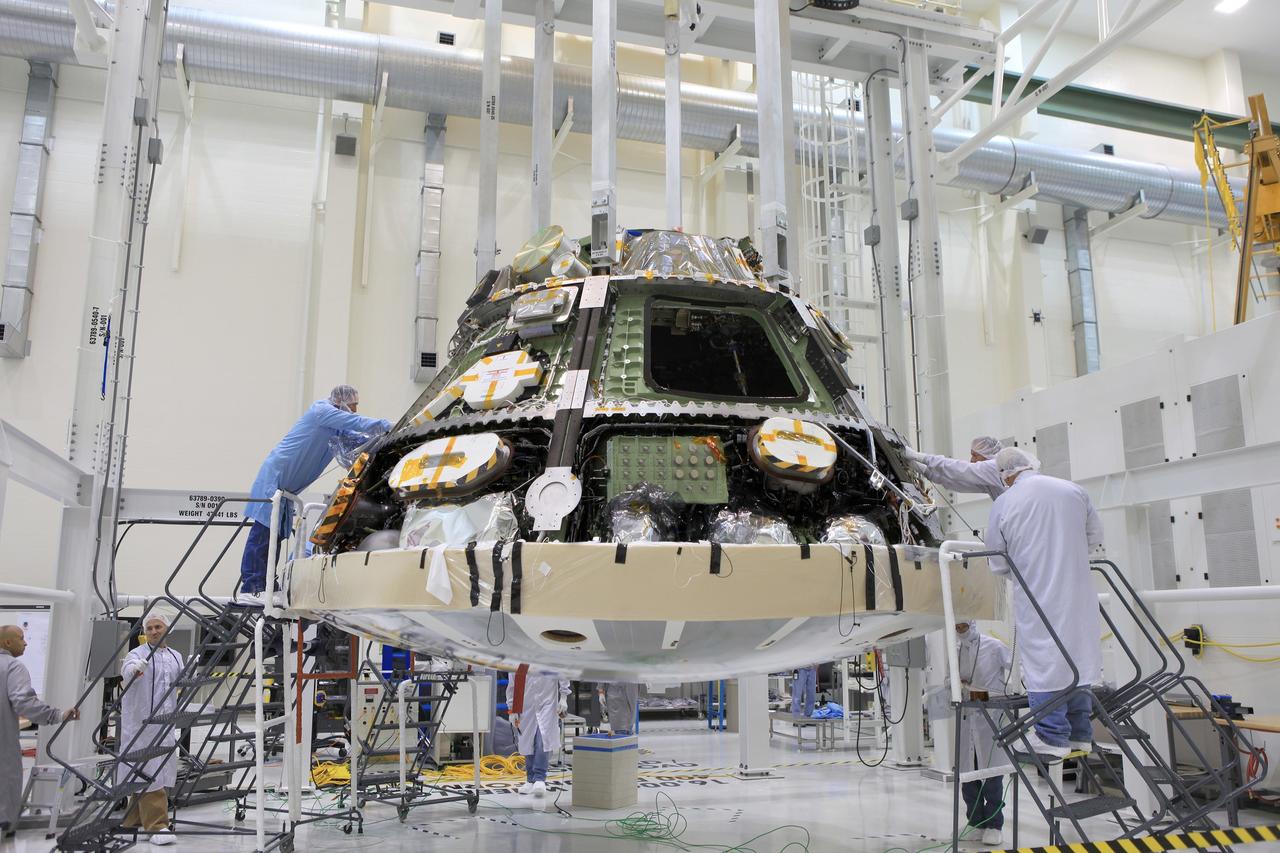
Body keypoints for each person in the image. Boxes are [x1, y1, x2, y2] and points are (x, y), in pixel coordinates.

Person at [984, 447, 1103, 760]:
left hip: (1037, 592)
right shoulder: (1073, 490)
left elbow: (996, 560)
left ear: (1006, 475)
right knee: (1076, 658)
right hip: (1078, 591)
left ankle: (1051, 737)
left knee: (1044, 661)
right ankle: (1081, 734)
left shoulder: (1005, 501)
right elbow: (1094, 537)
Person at [238, 385, 391, 606]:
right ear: (341, 402)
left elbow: (358, 442)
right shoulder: (322, 412)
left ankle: (267, 586)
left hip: (286, 489)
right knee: (263, 533)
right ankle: (251, 587)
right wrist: (386, 425)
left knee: (274, 538)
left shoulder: (335, 428)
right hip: (274, 479)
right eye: (354, 405)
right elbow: (357, 423)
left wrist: (386, 440)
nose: (355, 410)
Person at [1, 625, 79, 840]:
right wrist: (57, 715)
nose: (25, 643)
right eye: (21, 638)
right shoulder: (13, 667)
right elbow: (23, 702)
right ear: (7, 643)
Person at [118, 614, 184, 846]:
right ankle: (157, 825)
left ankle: (132, 823)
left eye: (158, 627)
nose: (154, 631)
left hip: (165, 724)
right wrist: (134, 669)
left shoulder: (176, 656)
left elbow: (181, 681)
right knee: (148, 771)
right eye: (150, 628)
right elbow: (127, 672)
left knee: (150, 772)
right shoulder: (137, 654)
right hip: (141, 725)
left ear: (168, 629)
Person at [953, 620, 1013, 848]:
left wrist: (995, 694)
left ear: (973, 622)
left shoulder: (994, 646)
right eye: (957, 627)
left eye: (963, 625)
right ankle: (975, 823)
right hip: (966, 718)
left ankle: (994, 825)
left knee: (991, 777)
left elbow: (1016, 673)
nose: (960, 630)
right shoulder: (954, 649)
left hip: (989, 720)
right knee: (968, 777)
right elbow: (948, 681)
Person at [505, 665, 569, 798]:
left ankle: (540, 778)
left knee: (542, 740)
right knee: (527, 742)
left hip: (547, 704)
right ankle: (530, 779)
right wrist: (511, 708)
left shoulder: (547, 655)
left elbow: (562, 672)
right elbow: (512, 685)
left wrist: (563, 697)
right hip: (525, 706)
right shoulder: (518, 661)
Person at [903, 435, 1006, 499]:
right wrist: (926, 471)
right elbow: (960, 483)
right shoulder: (990, 479)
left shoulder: (995, 467)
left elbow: (960, 469)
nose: (971, 460)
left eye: (975, 455)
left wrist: (919, 456)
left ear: (987, 454)